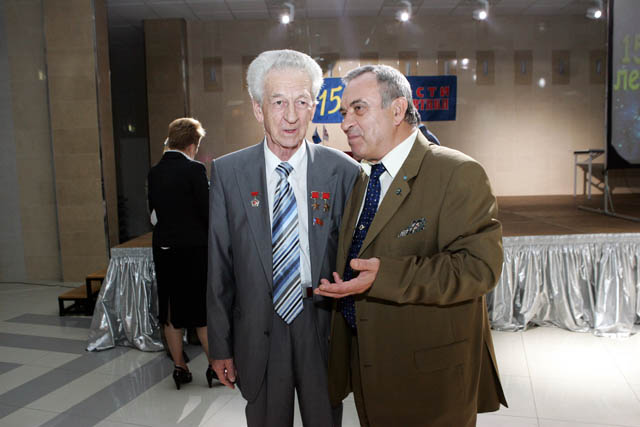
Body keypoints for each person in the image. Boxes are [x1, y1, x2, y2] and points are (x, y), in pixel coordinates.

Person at [315, 65, 507, 426]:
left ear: (397, 110)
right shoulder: (363, 178)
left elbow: (480, 268)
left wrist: (385, 276)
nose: (345, 123)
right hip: (370, 372)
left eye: (358, 109)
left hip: (430, 383)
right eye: (343, 113)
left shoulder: (456, 172)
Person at [206, 49, 360, 426]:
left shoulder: (344, 172)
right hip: (259, 327)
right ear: (258, 109)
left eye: (301, 102)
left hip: (321, 323)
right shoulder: (229, 173)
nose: (291, 116)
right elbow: (219, 267)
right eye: (278, 102)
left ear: (313, 107)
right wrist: (220, 345)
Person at [147, 117, 216, 389]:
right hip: (194, 250)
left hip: (164, 249)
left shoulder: (155, 172)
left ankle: (180, 367)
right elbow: (207, 213)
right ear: (192, 144)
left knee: (170, 309)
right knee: (200, 310)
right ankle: (214, 367)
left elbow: (154, 216)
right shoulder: (194, 170)